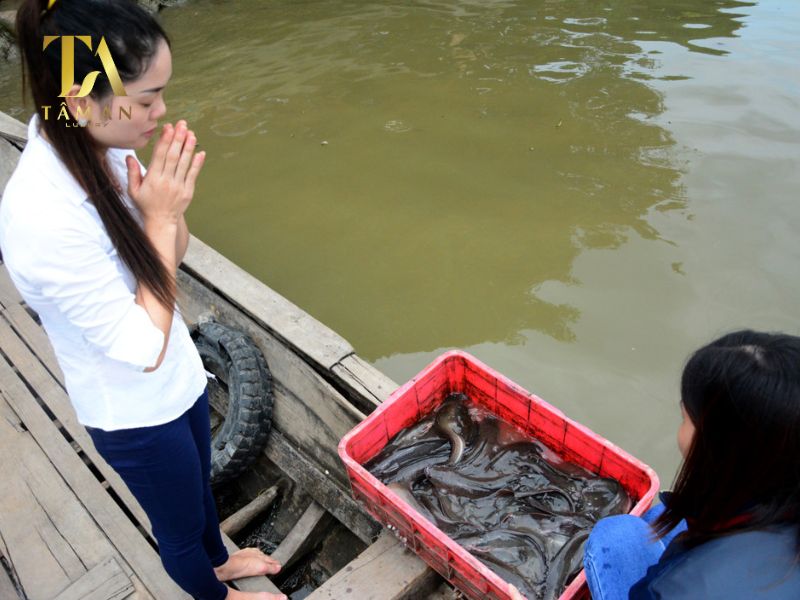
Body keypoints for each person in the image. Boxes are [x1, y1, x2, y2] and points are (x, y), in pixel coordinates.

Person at [0, 2, 286, 599]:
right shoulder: (40, 217)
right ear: (81, 99)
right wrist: (156, 222)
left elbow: (168, 258)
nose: (160, 113)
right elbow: (138, 348)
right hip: (133, 410)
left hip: (177, 373)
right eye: (150, 97)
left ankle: (221, 561)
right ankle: (217, 593)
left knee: (199, 494)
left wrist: (168, 214)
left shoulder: (100, 144)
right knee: (178, 532)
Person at [583, 330, 800, 599]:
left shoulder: (679, 592)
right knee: (657, 516)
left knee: (615, 537)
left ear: (719, 447)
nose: (681, 424)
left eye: (685, 415)